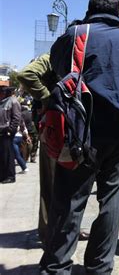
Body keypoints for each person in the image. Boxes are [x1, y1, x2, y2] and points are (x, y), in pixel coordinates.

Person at [39, 0, 119, 274]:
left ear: (90, 10)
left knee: (69, 202)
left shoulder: (74, 36)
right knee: (111, 205)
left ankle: (57, 266)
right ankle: (99, 266)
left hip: (79, 133)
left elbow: (56, 69)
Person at [18, 54, 60, 244]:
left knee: (66, 185)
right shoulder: (51, 57)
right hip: (53, 126)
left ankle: (63, 228)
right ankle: (47, 232)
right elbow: (25, 74)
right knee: (50, 183)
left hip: (67, 127)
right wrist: (47, 98)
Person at [0, 86, 21, 184]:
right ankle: (3, 175)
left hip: (7, 132)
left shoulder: (13, 101)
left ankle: (10, 176)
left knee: (8, 155)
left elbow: (16, 117)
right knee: (3, 156)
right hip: (2, 132)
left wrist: (10, 130)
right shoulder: (3, 101)